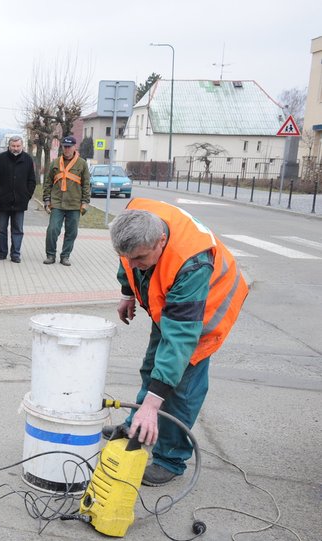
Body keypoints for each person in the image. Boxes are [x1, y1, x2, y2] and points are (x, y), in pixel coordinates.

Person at [109, 198, 248, 486]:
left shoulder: (191, 263)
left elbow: (180, 339)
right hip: (171, 304)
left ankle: (170, 458)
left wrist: (154, 401)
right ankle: (138, 425)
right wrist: (127, 291)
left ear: (161, 241)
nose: (134, 265)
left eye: (141, 259)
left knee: (180, 387)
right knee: (153, 369)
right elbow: (127, 259)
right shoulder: (135, 223)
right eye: (129, 258)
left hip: (204, 313)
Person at [42, 135, 90, 266]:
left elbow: (86, 184)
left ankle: (65, 256)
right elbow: (48, 183)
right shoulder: (55, 162)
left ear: (75, 147)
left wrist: (85, 202)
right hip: (57, 202)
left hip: (74, 203)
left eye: (69, 147)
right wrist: (47, 200)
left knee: (71, 232)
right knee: (52, 230)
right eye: (65, 147)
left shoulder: (82, 164)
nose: (67, 149)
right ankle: (50, 255)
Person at [0, 135, 36, 263]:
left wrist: (27, 196)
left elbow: (32, 180)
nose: (15, 148)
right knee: (1, 229)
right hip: (2, 202)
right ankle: (2, 252)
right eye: (13, 146)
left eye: (18, 146)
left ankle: (15, 254)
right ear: (9, 146)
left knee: (18, 230)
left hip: (20, 202)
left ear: (22, 146)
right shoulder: (0, 159)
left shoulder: (27, 160)